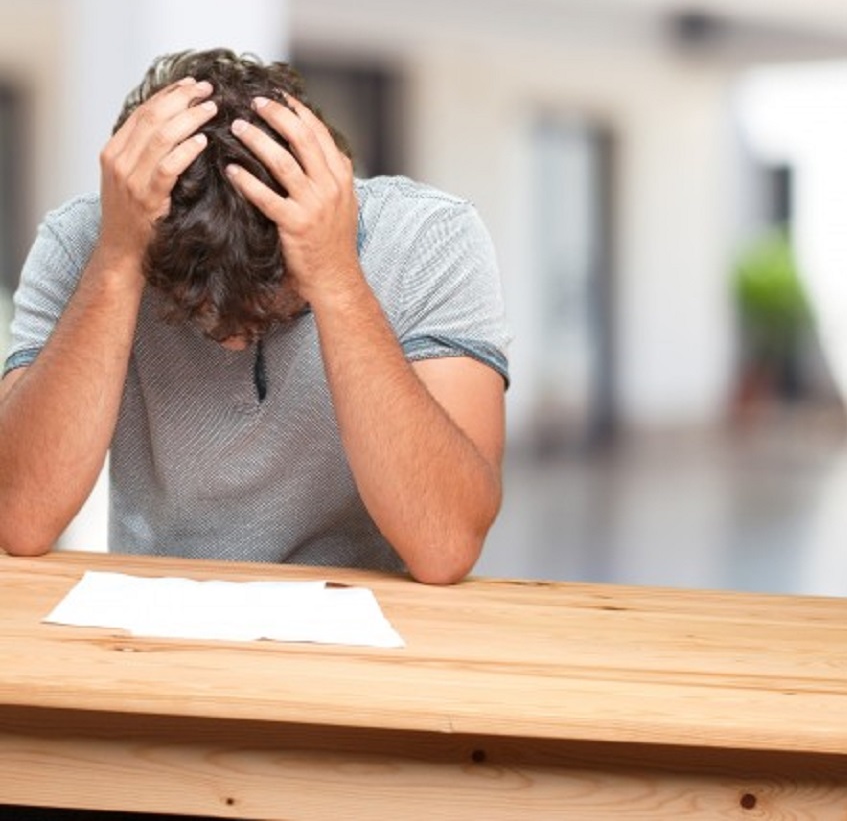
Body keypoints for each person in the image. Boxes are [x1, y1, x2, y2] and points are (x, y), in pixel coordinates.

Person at [0, 48, 510, 584]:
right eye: (196, 310)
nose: (234, 343)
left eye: (268, 307)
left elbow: (446, 546)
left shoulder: (430, 239)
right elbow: (20, 518)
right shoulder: (86, 239)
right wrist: (117, 261)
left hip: (371, 629)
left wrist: (336, 278)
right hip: (155, 627)